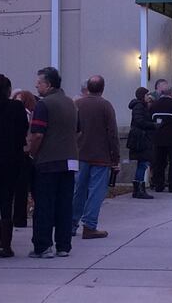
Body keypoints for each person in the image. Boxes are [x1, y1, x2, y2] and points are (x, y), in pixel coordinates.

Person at [28, 67, 79, 258]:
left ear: (48, 84)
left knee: (44, 204)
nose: (36, 85)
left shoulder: (43, 105)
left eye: (39, 82)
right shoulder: (71, 103)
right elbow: (78, 130)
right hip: (69, 159)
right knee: (65, 204)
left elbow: (38, 134)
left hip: (48, 161)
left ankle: (43, 245)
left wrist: (32, 153)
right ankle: (63, 245)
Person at [0, 75, 29, 257]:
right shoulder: (16, 107)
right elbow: (23, 129)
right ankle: (5, 245)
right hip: (12, 158)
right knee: (7, 198)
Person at [72, 75, 119, 239]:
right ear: (102, 88)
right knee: (96, 192)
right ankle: (90, 225)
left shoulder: (77, 104)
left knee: (78, 190)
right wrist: (115, 157)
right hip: (100, 155)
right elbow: (112, 133)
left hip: (80, 154)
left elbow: (72, 129)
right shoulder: (106, 106)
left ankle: (71, 223)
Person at [127, 87, 159, 199]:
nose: (148, 97)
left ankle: (138, 189)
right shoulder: (139, 106)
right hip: (141, 138)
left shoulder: (140, 106)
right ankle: (139, 189)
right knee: (143, 164)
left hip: (141, 137)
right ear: (142, 96)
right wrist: (153, 125)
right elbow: (139, 121)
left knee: (143, 164)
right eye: (146, 95)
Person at [12, 90, 37, 227]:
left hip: (25, 153)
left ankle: (19, 218)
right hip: (25, 153)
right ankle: (19, 217)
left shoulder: (28, 115)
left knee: (22, 188)